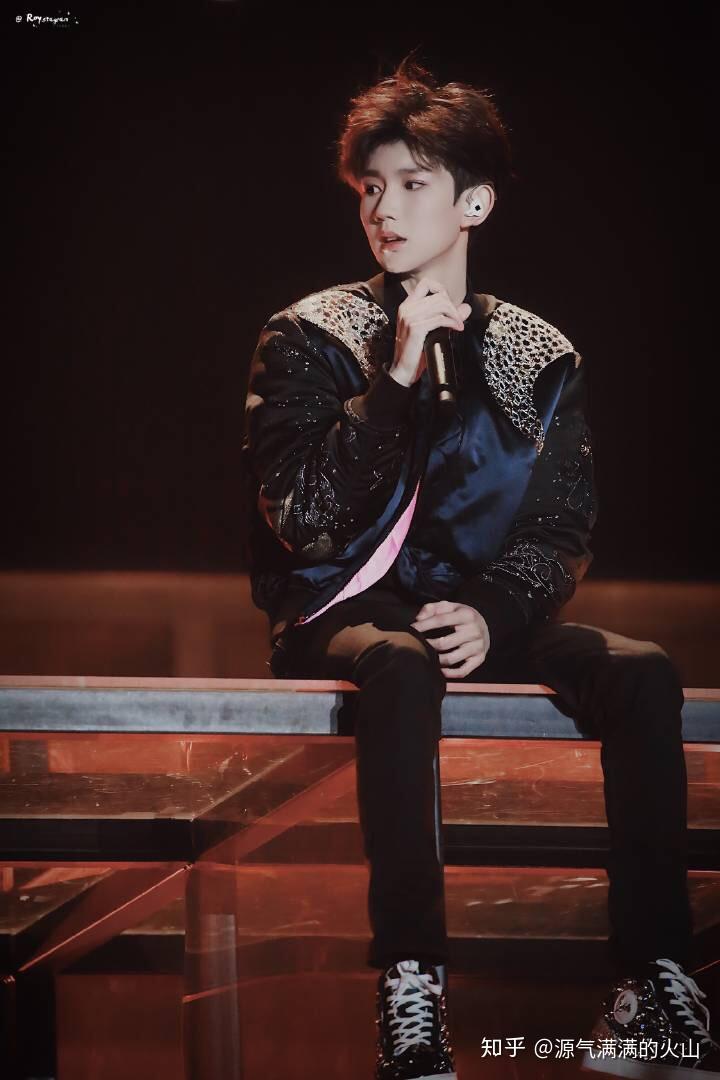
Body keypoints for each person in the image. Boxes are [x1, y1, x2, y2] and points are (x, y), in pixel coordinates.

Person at [241, 55, 719, 1080]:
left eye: (412, 183)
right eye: (371, 187)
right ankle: (412, 988)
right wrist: (395, 376)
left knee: (642, 671)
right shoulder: (309, 336)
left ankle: (655, 986)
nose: (384, 209)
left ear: (475, 202)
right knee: (401, 661)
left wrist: (495, 614)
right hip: (348, 614)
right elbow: (304, 520)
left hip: (473, 616)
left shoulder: (540, 354)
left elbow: (559, 526)